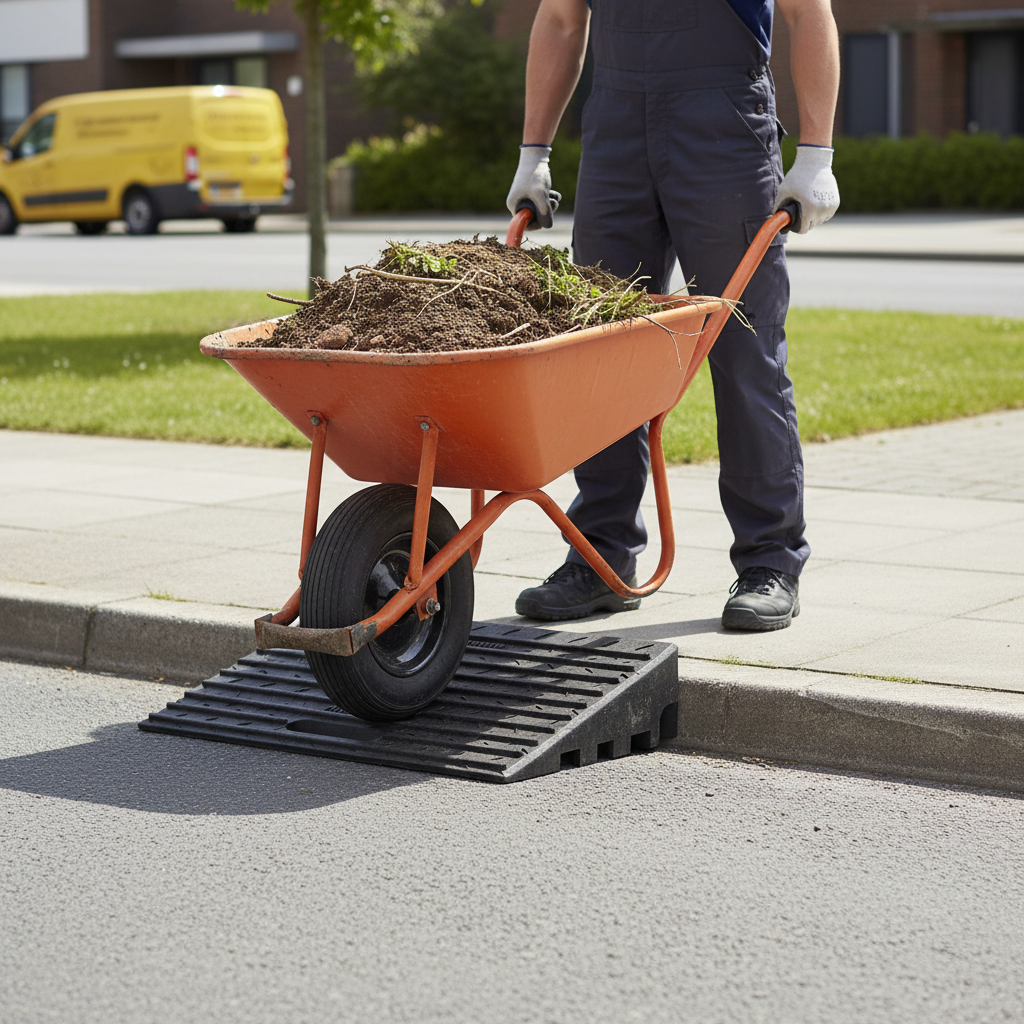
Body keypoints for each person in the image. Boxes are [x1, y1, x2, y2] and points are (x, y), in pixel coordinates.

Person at [506, 0, 840, 632]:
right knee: (601, 346)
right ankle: (601, 553)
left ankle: (770, 560)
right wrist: (534, 152)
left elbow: (807, 11)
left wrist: (816, 152)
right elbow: (560, 20)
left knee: (744, 349)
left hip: (723, 130)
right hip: (616, 134)